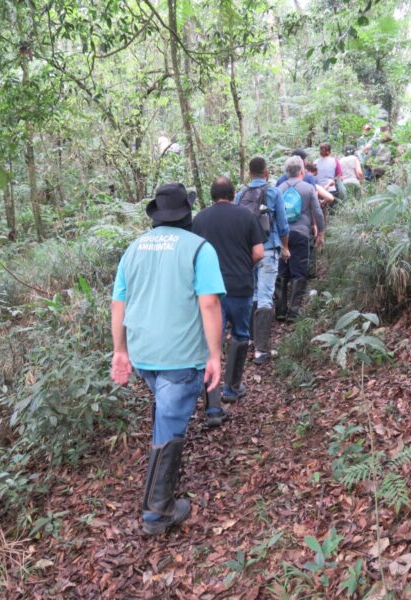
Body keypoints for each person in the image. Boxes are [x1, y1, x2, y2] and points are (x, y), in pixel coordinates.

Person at [110, 182, 225, 535]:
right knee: (170, 424)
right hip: (180, 355)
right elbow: (209, 304)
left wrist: (121, 350)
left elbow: (119, 304)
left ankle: (159, 498)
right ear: (187, 214)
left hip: (145, 354)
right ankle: (157, 513)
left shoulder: (133, 249)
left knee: (165, 413)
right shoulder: (199, 249)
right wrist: (215, 355)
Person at [192, 177, 264, 425]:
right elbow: (259, 253)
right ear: (233, 194)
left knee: (210, 345)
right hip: (240, 286)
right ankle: (232, 389)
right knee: (241, 335)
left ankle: (212, 408)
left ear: (212, 195)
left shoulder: (199, 219)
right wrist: (244, 266)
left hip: (209, 291)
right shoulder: (246, 216)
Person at [235, 157, 290, 364]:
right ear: (266, 172)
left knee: (253, 293)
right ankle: (261, 350)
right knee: (266, 295)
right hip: (268, 250)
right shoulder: (274, 192)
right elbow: (283, 225)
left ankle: (249, 338)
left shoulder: (241, 195)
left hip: (248, 253)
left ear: (249, 173)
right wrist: (285, 247)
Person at [275, 156, 325, 319]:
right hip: (301, 233)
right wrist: (321, 233)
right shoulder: (308, 188)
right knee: (299, 272)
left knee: (281, 272)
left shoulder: (279, 189)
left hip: (282, 235)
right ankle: (294, 311)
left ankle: (280, 310)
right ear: (302, 170)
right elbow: (317, 212)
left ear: (286, 172)